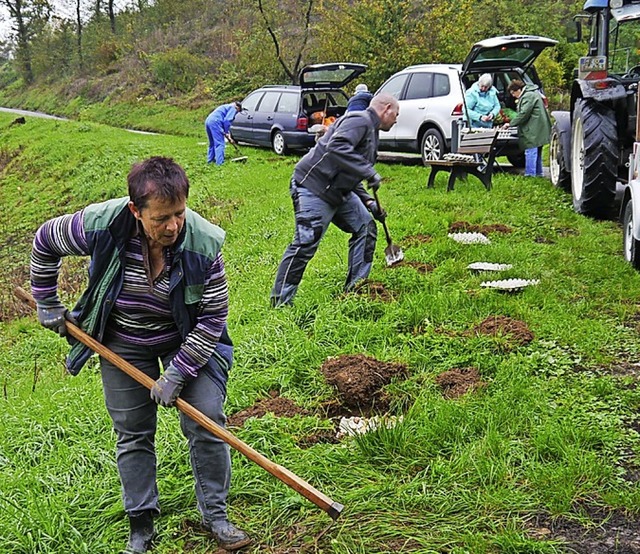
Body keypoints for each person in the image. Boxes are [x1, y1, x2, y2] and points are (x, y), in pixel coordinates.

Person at [30, 157, 251, 553]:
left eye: (179, 214)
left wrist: (179, 373)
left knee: (208, 420)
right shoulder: (101, 223)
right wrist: (46, 301)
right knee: (133, 432)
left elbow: (214, 315)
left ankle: (215, 515)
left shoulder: (203, 243)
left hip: (187, 339)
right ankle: (141, 523)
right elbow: (45, 239)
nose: (173, 226)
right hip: (123, 341)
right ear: (136, 210)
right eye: (161, 218)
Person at [270, 93, 400, 307]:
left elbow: (348, 169)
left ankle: (355, 290)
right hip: (313, 186)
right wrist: (369, 172)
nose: (396, 119)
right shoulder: (360, 119)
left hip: (339, 191)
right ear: (386, 109)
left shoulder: (371, 130)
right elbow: (337, 146)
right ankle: (280, 303)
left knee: (366, 227)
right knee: (306, 243)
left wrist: (368, 201)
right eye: (396, 113)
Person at [505, 79, 552, 177]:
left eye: (513, 93)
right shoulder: (532, 93)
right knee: (537, 151)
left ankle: (530, 175)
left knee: (530, 151)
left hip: (534, 129)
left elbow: (523, 114)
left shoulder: (527, 96)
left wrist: (510, 124)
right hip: (539, 127)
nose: (513, 96)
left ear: (518, 90)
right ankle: (538, 174)